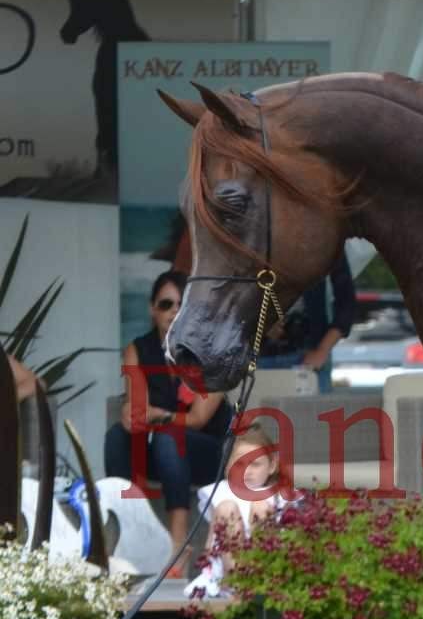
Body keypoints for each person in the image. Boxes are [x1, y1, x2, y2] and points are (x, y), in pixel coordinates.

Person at [104, 271, 234, 577]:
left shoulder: (213, 352)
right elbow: (138, 409)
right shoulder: (138, 349)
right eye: (166, 304)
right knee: (116, 436)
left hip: (209, 455)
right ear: (153, 309)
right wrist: (131, 413)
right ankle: (131, 525)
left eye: (181, 305)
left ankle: (177, 544)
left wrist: (157, 415)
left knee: (168, 437)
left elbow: (200, 419)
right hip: (163, 454)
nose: (174, 311)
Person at [184, 425, 295, 599]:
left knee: (261, 506)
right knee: (226, 507)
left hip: (268, 564)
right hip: (228, 567)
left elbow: (289, 536)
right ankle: (236, 580)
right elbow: (212, 539)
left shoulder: (280, 494)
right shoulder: (221, 492)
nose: (247, 471)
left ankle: (258, 579)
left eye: (256, 464)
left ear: (272, 465)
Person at [257, 248, 357, 393]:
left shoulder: (324, 236)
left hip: (310, 356)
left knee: (311, 413)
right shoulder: (257, 235)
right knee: (260, 412)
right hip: (263, 356)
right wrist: (262, 324)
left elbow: (346, 303)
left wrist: (323, 350)